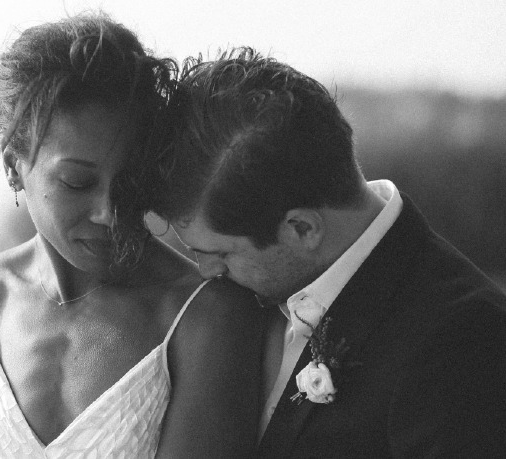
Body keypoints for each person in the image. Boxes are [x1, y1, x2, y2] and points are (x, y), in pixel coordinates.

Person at [149, 47, 506, 457]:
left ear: (302, 229)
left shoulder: (465, 346)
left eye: (222, 254)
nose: (207, 271)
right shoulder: (241, 305)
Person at [0, 16, 264, 458]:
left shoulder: (205, 317)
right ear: (13, 167)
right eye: (77, 182)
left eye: (131, 180)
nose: (110, 213)